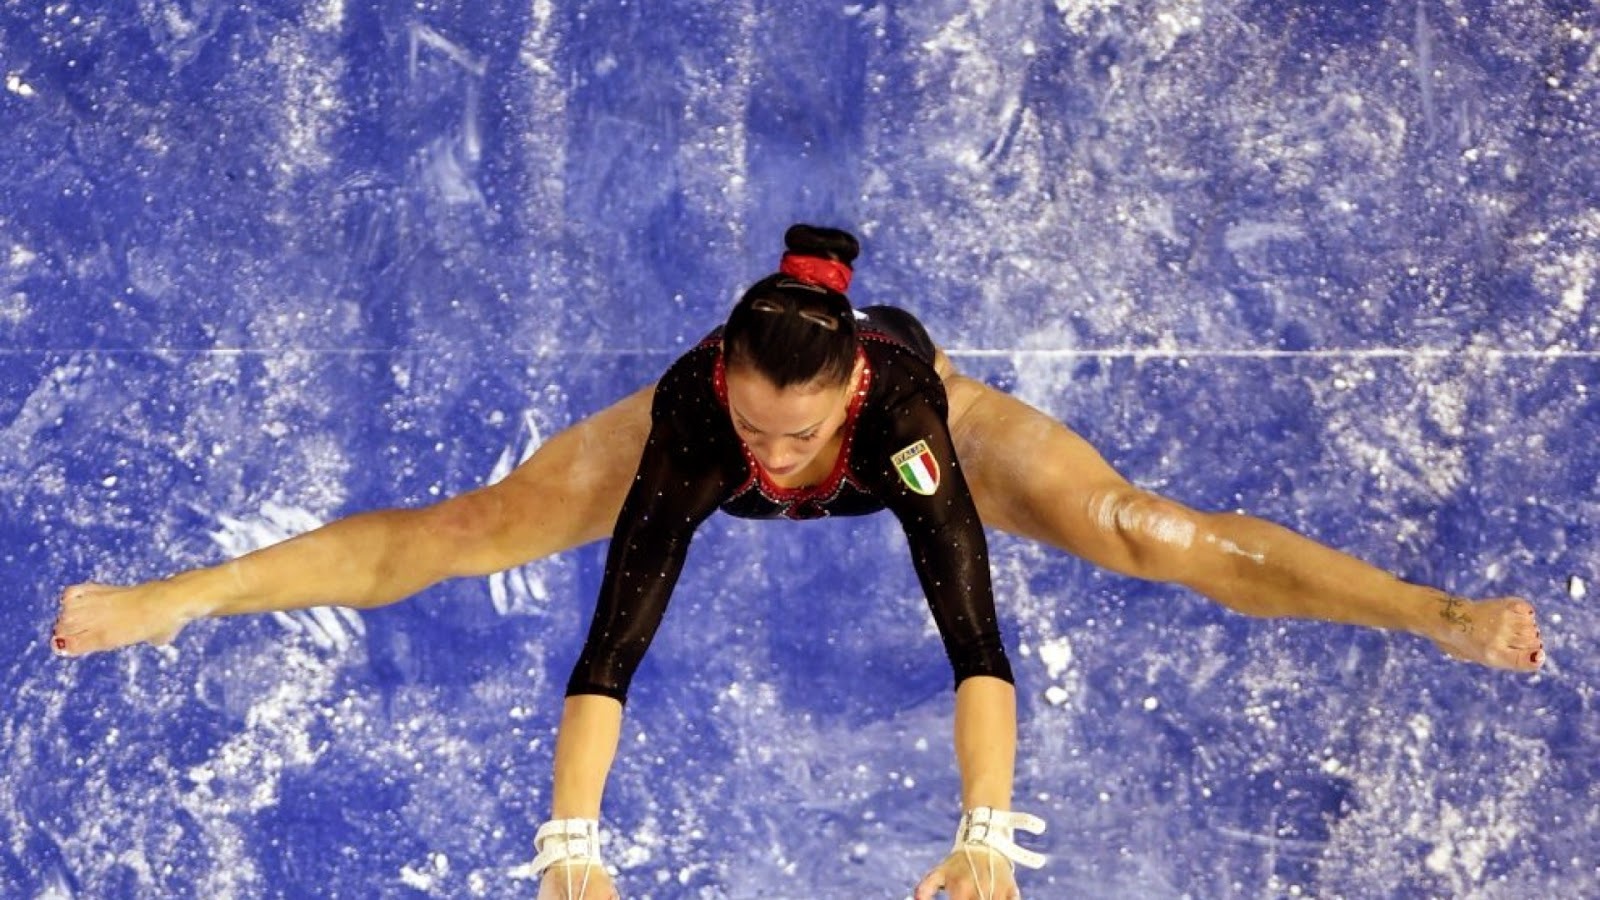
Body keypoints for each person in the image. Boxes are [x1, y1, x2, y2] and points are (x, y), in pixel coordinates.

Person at [52, 225, 1545, 900]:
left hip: (934, 426)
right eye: (757, 429)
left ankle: (1432, 613)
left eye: (796, 433)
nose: (775, 463)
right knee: (466, 530)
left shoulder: (903, 421)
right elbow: (611, 650)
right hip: (671, 435)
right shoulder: (698, 431)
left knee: (1138, 529)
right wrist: (573, 846)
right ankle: (184, 600)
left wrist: (986, 833)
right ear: (731, 388)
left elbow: (973, 635)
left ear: (846, 395)